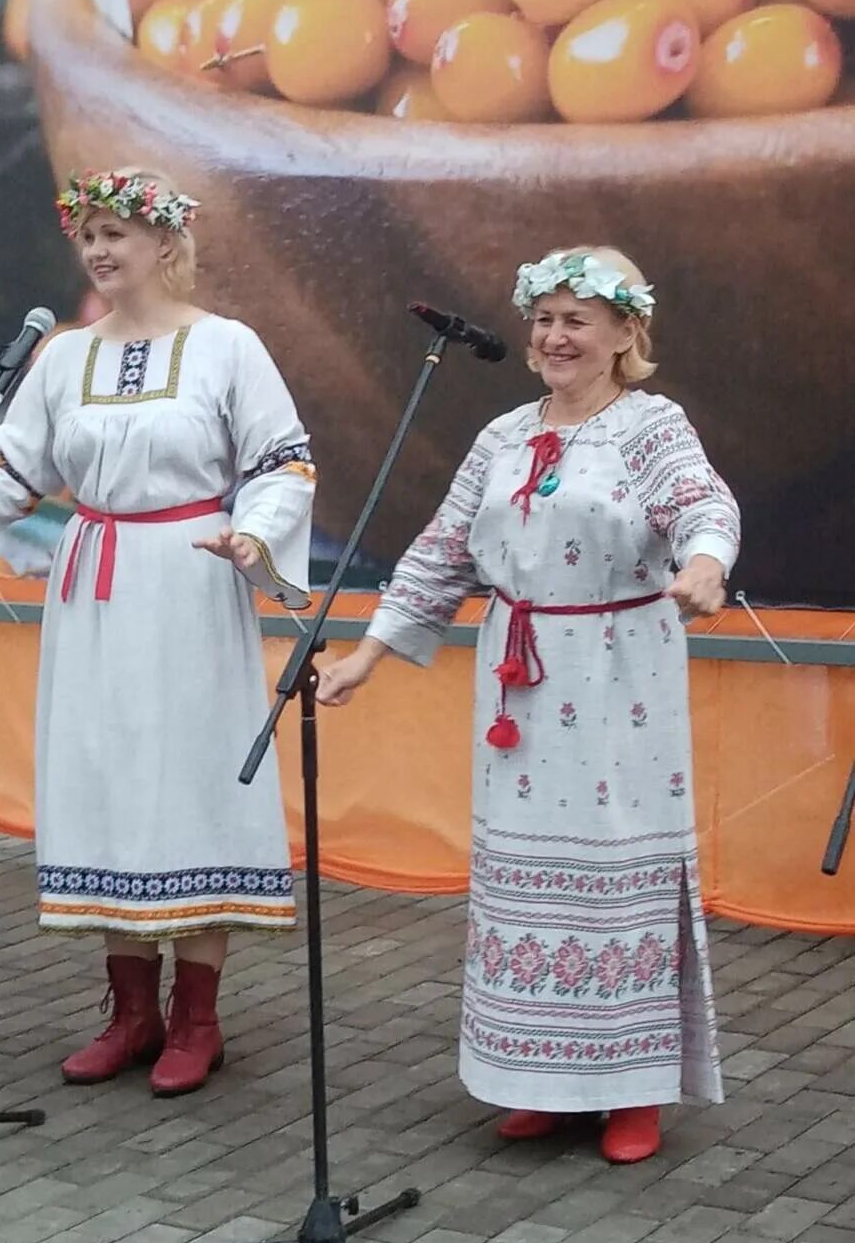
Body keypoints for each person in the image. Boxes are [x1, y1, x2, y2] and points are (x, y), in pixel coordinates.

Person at [0, 167, 315, 1095]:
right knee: (105, 773)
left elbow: (284, 461)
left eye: (117, 233)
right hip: (94, 585)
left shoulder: (229, 346)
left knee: (188, 777)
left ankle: (199, 1020)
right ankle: (129, 1013)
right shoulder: (64, 357)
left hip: (189, 581)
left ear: (165, 243)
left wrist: (255, 530)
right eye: (89, 236)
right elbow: (10, 472)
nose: (101, 250)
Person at [317, 246, 740, 1164]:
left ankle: (631, 1090)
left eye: (576, 319)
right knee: (521, 869)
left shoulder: (650, 427)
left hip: (620, 669)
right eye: (543, 318)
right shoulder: (504, 436)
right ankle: (538, 1080)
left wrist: (705, 560)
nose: (554, 335)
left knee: (615, 862)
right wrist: (369, 654)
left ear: (627, 332)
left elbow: (703, 504)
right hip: (522, 681)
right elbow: (441, 550)